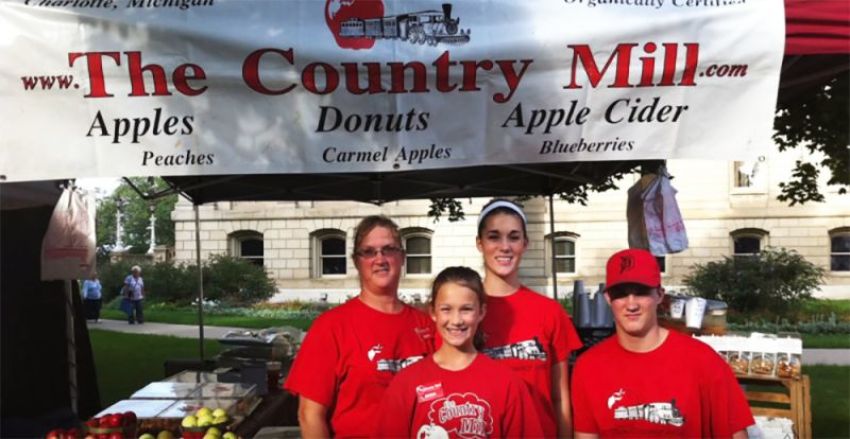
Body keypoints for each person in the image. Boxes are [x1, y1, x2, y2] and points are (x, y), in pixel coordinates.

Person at [571, 248, 754, 438]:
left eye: (641, 292)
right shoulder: (588, 367)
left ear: (659, 295)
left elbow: (736, 433)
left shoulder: (703, 360)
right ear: (608, 299)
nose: (631, 305)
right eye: (621, 294)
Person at [284, 215, 436, 438]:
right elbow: (310, 415)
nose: (380, 259)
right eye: (369, 252)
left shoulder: (426, 325)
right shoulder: (331, 327)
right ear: (356, 261)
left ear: (402, 257)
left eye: (389, 249)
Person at [376, 266, 543, 438]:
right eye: (446, 309)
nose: (456, 320)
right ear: (433, 312)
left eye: (466, 309)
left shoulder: (507, 384)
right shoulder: (406, 383)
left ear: (481, 312)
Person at [475, 199, 583, 438]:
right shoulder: (463, 313)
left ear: (525, 244)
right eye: (494, 237)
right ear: (479, 243)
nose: (505, 246)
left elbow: (560, 397)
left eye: (513, 237)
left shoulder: (549, 311)